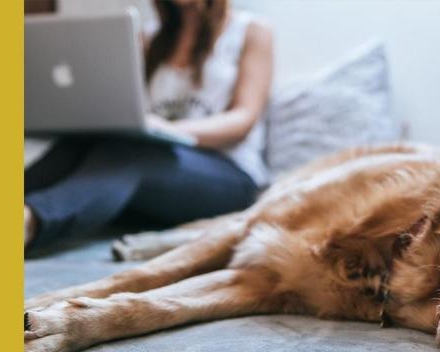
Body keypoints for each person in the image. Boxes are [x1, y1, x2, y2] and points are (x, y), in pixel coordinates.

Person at [24, 0, 273, 248]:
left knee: (130, 156)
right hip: (154, 169)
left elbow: (243, 120)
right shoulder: (149, 36)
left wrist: (170, 130)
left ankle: (29, 223)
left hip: (229, 176)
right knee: (86, 145)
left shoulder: (251, 30)